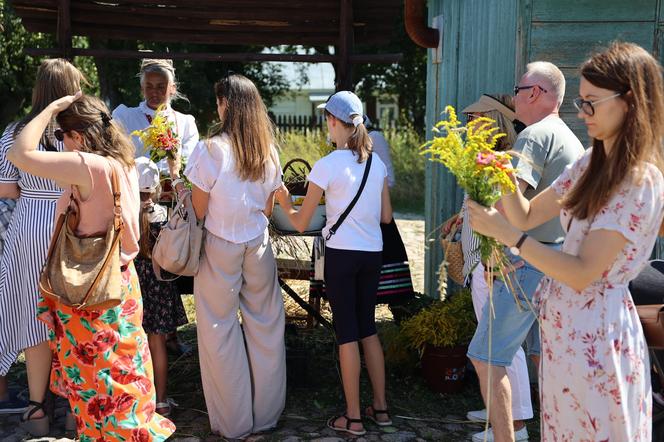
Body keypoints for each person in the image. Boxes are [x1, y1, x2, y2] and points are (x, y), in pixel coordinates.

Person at [468, 42, 664, 441]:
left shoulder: (639, 179)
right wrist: (504, 174)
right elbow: (525, 213)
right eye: (581, 101)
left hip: (599, 335)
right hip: (567, 334)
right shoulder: (589, 164)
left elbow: (581, 273)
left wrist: (507, 236)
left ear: (629, 101)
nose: (583, 112)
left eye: (592, 102)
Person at [7, 92, 175, 440]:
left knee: (95, 386)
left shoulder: (87, 165)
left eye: (61, 136)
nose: (60, 144)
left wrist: (50, 109)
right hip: (120, 286)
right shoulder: (122, 163)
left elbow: (18, 154)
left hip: (88, 295)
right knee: (122, 378)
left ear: (78, 136)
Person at [465, 62, 584, 442]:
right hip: (559, 260)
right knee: (542, 358)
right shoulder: (569, 138)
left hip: (527, 261)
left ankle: (506, 437)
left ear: (534, 93)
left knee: (486, 356)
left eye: (517, 90)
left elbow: (512, 207)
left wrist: (495, 248)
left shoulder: (533, 135)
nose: (512, 97)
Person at [276, 91, 393, 436]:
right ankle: (381, 410)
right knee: (368, 328)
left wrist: (283, 197)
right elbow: (386, 216)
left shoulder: (326, 165)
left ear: (332, 121)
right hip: (373, 254)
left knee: (347, 335)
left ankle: (354, 417)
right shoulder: (377, 163)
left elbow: (299, 223)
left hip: (341, 255)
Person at [185, 74, 285, 439]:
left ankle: (234, 422)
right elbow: (270, 206)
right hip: (257, 244)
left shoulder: (212, 150)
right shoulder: (268, 151)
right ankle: (267, 415)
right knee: (266, 326)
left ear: (225, 105)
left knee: (218, 330)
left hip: (220, 244)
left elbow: (198, 208)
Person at [0, 58, 85, 435]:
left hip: (28, 225)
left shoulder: (15, 132)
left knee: (34, 315)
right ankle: (72, 405)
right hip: (73, 225)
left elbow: (6, 190)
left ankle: (36, 409)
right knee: (72, 315)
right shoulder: (80, 130)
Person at [458, 94, 535, 441]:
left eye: (476, 120)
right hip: (482, 262)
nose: (469, 126)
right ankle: (498, 411)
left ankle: (514, 426)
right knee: (492, 346)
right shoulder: (487, 161)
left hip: (494, 265)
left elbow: (507, 214)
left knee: (503, 346)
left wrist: (494, 260)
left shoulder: (502, 163)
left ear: (492, 124)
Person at [112, 58, 198, 357]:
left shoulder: (184, 122)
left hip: (171, 209)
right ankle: (136, 337)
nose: (154, 92)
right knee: (139, 271)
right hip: (134, 208)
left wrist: (172, 164)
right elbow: (115, 152)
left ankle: (168, 335)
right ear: (141, 86)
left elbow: (190, 163)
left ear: (172, 89)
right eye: (149, 87)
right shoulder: (125, 117)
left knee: (169, 270)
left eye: (161, 87)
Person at [134, 157, 188, 417]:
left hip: (134, 285)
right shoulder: (164, 214)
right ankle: (162, 400)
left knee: (134, 343)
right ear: (156, 188)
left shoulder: (126, 213)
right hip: (159, 284)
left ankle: (136, 398)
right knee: (158, 343)